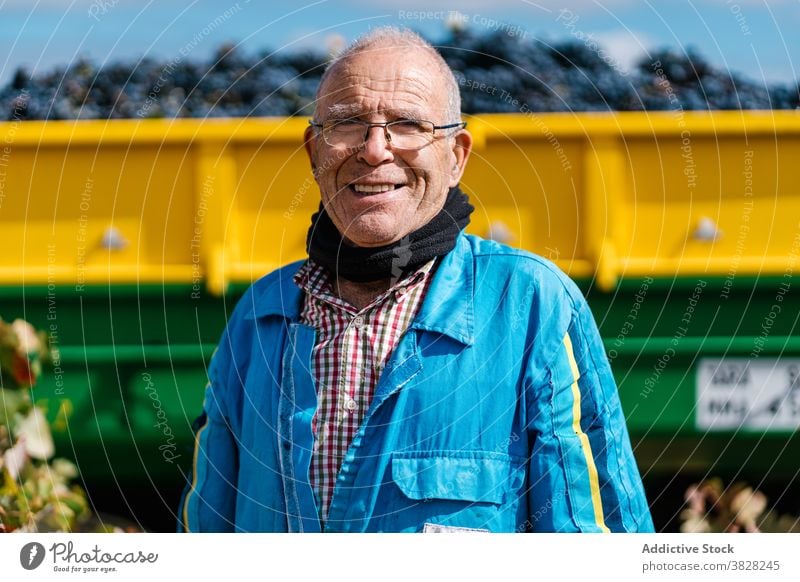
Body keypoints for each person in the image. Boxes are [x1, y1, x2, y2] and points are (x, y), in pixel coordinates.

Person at [178, 27, 654, 533]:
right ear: (315, 152)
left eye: (407, 125)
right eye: (347, 124)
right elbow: (207, 530)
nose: (375, 150)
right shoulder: (262, 315)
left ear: (456, 156)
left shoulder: (528, 303)